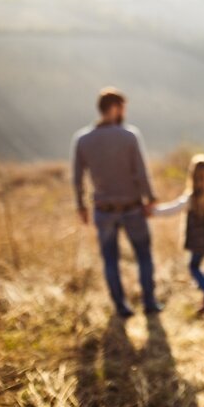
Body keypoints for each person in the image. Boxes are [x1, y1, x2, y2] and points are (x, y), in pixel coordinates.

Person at [72, 87, 163, 317]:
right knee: (143, 255)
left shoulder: (83, 139)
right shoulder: (129, 135)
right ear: (114, 108)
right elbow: (141, 172)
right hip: (132, 207)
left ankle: (121, 307)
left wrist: (81, 206)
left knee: (110, 260)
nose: (124, 112)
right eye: (122, 107)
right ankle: (149, 302)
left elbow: (77, 177)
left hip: (103, 210)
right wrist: (150, 198)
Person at [154, 155, 204, 317]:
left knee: (193, 266)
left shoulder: (192, 196)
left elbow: (172, 209)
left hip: (199, 241)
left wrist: (152, 211)